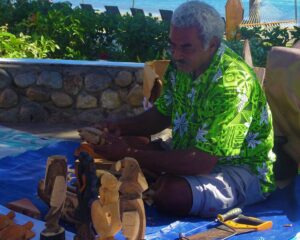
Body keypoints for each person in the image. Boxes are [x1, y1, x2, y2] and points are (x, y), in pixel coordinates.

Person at [86, 1, 276, 217]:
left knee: (171, 194)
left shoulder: (232, 84)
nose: (176, 55)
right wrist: (117, 127)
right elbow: (161, 115)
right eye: (172, 45)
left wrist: (129, 154)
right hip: (190, 151)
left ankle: (161, 181)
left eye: (186, 47)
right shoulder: (182, 67)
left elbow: (202, 161)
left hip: (238, 170)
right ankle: (158, 178)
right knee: (127, 142)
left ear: (212, 45)